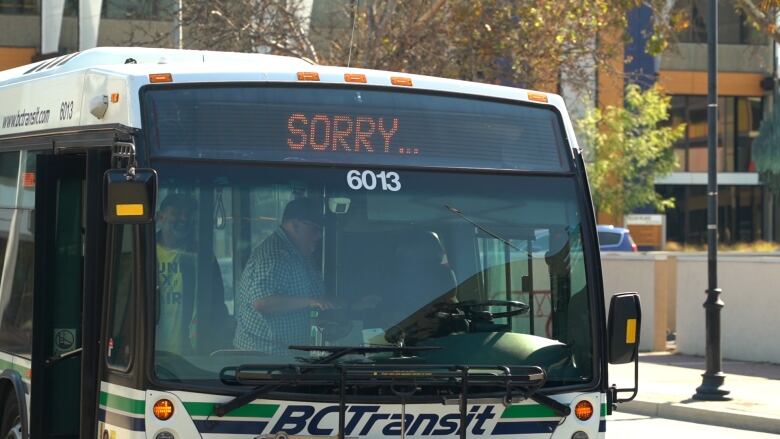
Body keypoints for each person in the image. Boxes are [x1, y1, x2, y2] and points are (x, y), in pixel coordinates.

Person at [233, 197, 333, 354]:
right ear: (295, 225)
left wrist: (347, 306)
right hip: (263, 360)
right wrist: (310, 301)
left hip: (286, 356)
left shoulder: (297, 252)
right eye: (315, 229)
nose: (319, 236)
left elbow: (315, 297)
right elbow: (263, 303)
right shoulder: (276, 255)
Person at [156, 193, 228, 356]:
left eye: (188, 214)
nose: (183, 218)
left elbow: (217, 305)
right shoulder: (142, 253)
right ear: (160, 217)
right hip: (148, 353)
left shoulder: (202, 256)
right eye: (176, 213)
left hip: (193, 355)